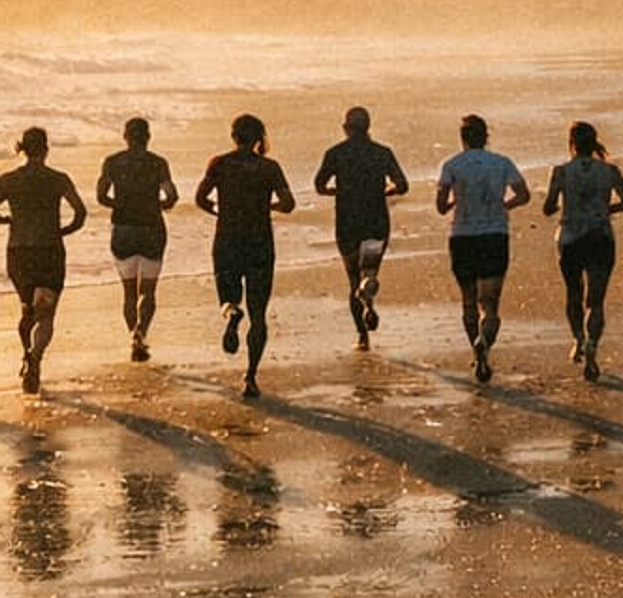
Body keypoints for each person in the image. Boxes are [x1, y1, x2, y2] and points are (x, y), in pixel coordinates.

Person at [194, 113, 295, 398]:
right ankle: (250, 377)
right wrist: (268, 208)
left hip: (227, 239)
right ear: (258, 138)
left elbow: (200, 198)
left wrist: (219, 210)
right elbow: (288, 203)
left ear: (234, 136)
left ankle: (231, 312)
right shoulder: (269, 167)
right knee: (259, 313)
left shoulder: (219, 164)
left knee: (228, 297)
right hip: (260, 241)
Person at [0, 127, 87, 393]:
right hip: (50, 249)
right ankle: (36, 355)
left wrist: (6, 220)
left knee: (27, 309)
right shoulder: (58, 179)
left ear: (23, 149)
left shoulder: (8, 179)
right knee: (47, 312)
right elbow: (80, 213)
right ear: (46, 149)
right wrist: (64, 230)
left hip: (19, 250)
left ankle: (26, 354)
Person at [435, 114, 530, 381]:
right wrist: (504, 206)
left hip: (462, 235)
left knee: (468, 300)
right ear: (486, 137)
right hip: (494, 234)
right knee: (490, 304)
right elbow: (523, 195)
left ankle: (476, 351)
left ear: (463, 138)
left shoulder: (451, 164)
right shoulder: (502, 163)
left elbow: (440, 206)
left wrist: (456, 202)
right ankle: (484, 346)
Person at [545, 119, 623, 381]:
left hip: (570, 238)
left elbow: (548, 207)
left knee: (574, 292)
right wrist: (609, 209)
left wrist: (559, 206)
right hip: (600, 236)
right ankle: (592, 346)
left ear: (571, 144)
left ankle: (578, 339)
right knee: (595, 301)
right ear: (593, 142)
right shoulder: (609, 171)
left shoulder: (561, 172)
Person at [312, 104, 410, 347]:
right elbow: (402, 184)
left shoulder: (335, 153)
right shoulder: (382, 153)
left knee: (352, 278)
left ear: (346, 128)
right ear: (368, 128)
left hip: (347, 223)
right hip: (376, 221)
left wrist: (338, 190)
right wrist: (387, 190)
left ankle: (362, 336)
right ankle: (368, 294)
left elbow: (319, 185)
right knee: (370, 269)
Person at [95, 116, 180, 359]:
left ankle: (134, 335)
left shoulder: (112, 162)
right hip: (152, 227)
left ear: (125, 136)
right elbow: (171, 194)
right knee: (149, 291)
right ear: (148, 137)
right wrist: (159, 205)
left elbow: (100, 196)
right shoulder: (158, 163)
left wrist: (120, 204)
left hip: (123, 228)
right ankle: (141, 332)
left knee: (129, 293)